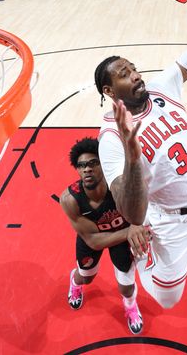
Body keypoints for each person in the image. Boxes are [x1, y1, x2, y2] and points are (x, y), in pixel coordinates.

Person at [94, 0, 187, 310]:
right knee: (167, 299)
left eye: (133, 68)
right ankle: (143, 255)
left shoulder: (163, 86)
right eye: (123, 73)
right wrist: (132, 152)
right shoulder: (110, 138)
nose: (134, 74)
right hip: (170, 219)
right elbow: (129, 210)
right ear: (109, 90)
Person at [59, 137, 148, 335]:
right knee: (85, 278)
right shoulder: (69, 199)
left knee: (126, 287)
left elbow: (142, 206)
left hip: (122, 239)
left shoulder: (118, 186)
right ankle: (75, 284)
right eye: (81, 165)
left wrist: (137, 225)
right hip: (102, 237)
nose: (87, 169)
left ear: (103, 163)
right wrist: (130, 230)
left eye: (93, 163)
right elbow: (93, 240)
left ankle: (130, 306)